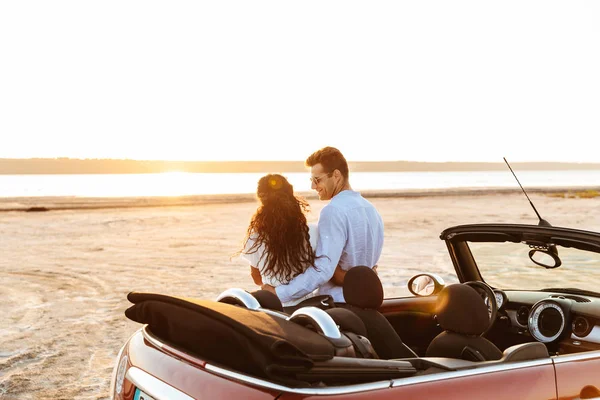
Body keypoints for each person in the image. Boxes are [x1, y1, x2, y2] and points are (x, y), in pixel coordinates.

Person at [262, 146, 384, 304]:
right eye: (311, 180)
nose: (313, 186)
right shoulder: (371, 209)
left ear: (336, 175)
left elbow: (323, 270)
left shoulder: (333, 211)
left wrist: (279, 293)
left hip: (337, 304)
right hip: (363, 300)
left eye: (317, 180)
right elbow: (371, 266)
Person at [237, 173, 320, 307]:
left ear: (262, 200)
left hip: (272, 305)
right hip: (306, 306)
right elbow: (318, 272)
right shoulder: (312, 232)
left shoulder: (255, 238)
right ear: (290, 195)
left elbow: (256, 279)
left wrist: (272, 284)